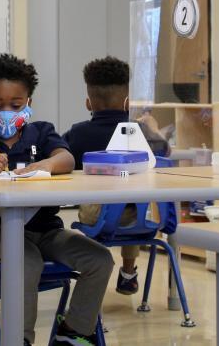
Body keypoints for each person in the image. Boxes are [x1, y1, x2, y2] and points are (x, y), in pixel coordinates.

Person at [0, 54, 113, 346]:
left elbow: (66, 157)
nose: (7, 112)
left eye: (16, 105)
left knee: (99, 259)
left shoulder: (42, 131)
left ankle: (73, 333)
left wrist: (47, 165)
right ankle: (19, 339)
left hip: (45, 231)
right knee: (25, 259)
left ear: (29, 104)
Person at [64, 56, 167, 296]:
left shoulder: (78, 133)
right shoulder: (140, 132)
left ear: (88, 104)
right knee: (131, 203)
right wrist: (152, 126)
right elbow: (164, 151)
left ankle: (98, 271)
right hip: (139, 220)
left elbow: (63, 158)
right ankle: (128, 272)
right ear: (128, 102)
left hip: (96, 216)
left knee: (107, 206)